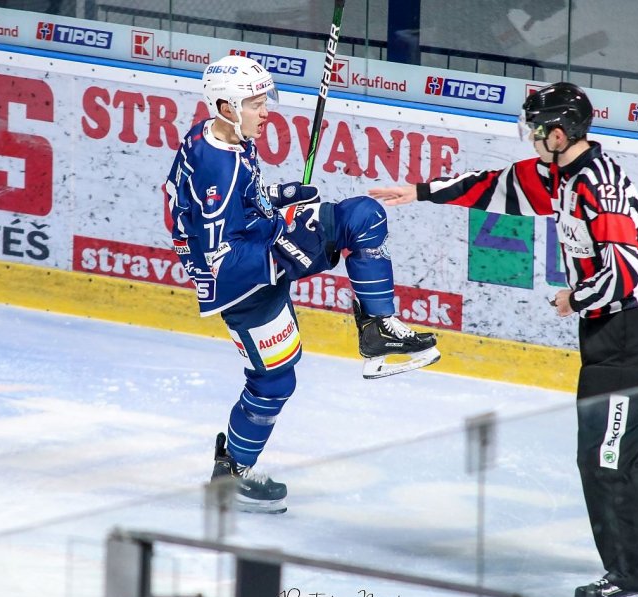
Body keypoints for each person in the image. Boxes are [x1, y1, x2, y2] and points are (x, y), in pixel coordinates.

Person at [369, 82, 638, 597]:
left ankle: (635, 584)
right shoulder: (560, 173)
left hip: (629, 327)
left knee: (606, 455)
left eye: (538, 129)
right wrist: (420, 192)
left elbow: (627, 270)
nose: (532, 137)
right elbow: (496, 186)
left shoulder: (597, 186)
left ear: (559, 133)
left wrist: (576, 297)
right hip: (616, 327)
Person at [164, 55, 440, 514]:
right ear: (227, 106)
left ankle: (377, 328)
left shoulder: (216, 133)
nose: (265, 111)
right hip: (241, 280)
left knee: (363, 217)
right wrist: (283, 254)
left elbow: (235, 203)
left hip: (259, 241)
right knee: (274, 382)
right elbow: (219, 260)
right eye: (255, 104)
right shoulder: (218, 168)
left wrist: (278, 197)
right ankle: (232, 475)